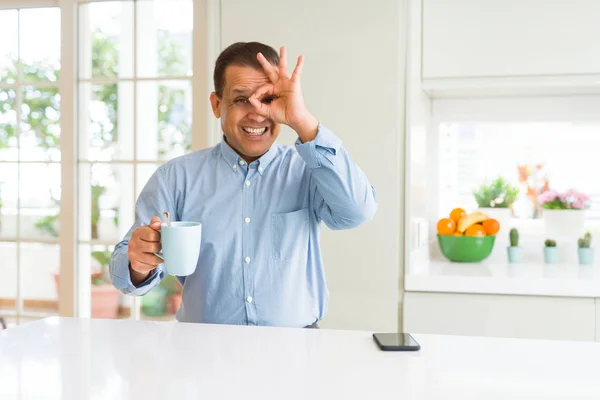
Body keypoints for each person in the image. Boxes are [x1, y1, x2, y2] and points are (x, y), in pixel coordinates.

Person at [110, 42, 377, 328]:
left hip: (296, 350)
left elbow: (357, 212)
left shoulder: (308, 170)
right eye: (240, 100)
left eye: (269, 99)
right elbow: (123, 272)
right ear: (216, 105)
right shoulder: (176, 177)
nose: (257, 113)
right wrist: (137, 262)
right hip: (203, 351)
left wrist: (303, 121)